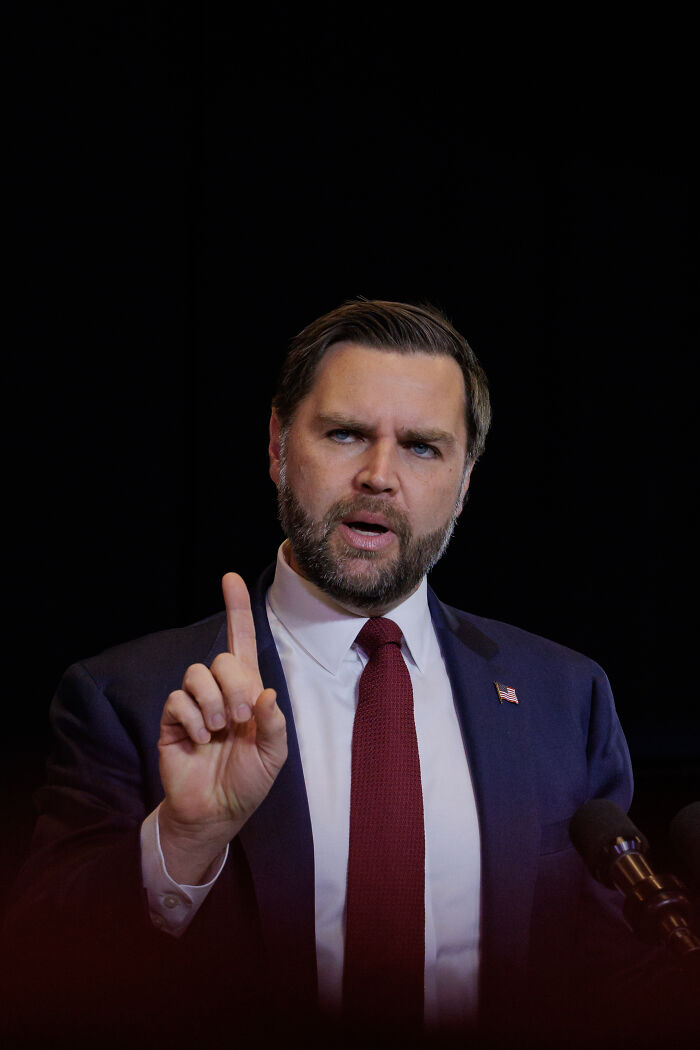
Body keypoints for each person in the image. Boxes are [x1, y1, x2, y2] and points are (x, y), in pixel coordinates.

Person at [3, 300, 689, 1050]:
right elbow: (40, 971)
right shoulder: (127, 697)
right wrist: (182, 840)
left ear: (464, 483)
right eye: (345, 434)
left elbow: (610, 971)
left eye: (424, 447)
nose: (379, 476)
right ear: (276, 445)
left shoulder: (566, 696)